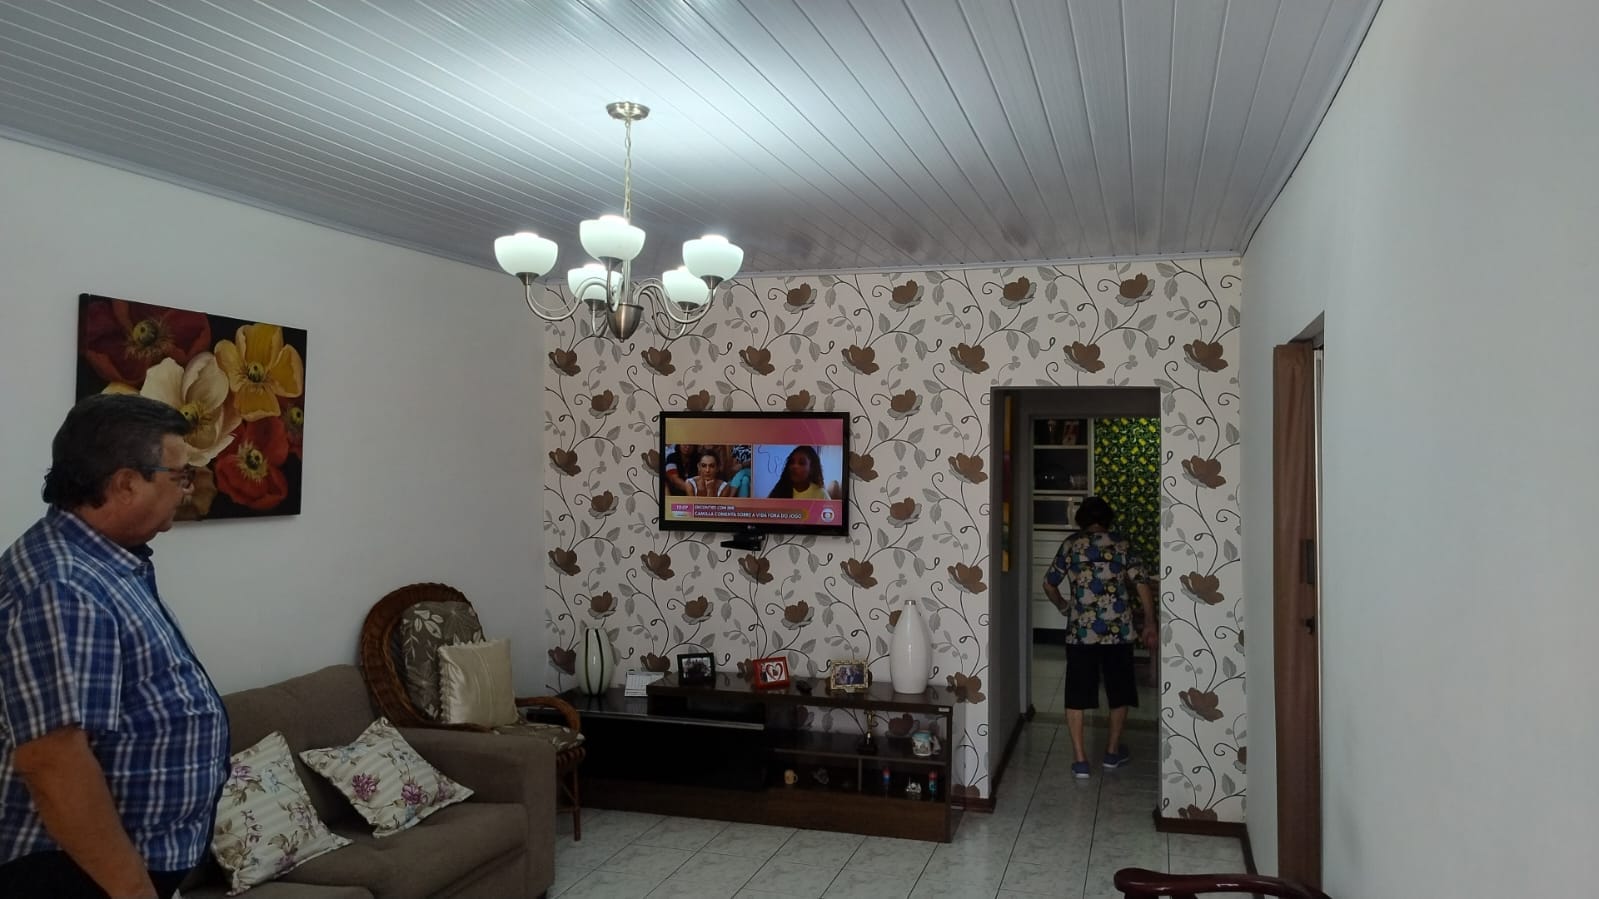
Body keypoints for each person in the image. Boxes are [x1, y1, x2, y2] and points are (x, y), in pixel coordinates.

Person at [0, 394, 230, 899]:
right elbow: (54, 762)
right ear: (126, 483)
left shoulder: (101, 561)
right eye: (180, 475)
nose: (187, 490)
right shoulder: (64, 586)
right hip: (78, 875)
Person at [1041, 496, 1157, 779]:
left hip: (1081, 632)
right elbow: (1141, 583)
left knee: (1077, 693)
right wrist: (1150, 621)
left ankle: (1080, 760)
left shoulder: (1071, 545)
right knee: (1119, 691)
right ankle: (1112, 752)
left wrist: (1063, 606)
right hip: (1119, 632)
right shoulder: (1121, 544)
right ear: (1107, 519)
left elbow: (1049, 584)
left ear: (1082, 519)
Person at [766, 445, 842, 500]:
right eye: (792, 462)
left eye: (801, 463)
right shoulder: (779, 490)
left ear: (812, 469)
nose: (794, 466)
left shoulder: (821, 495)